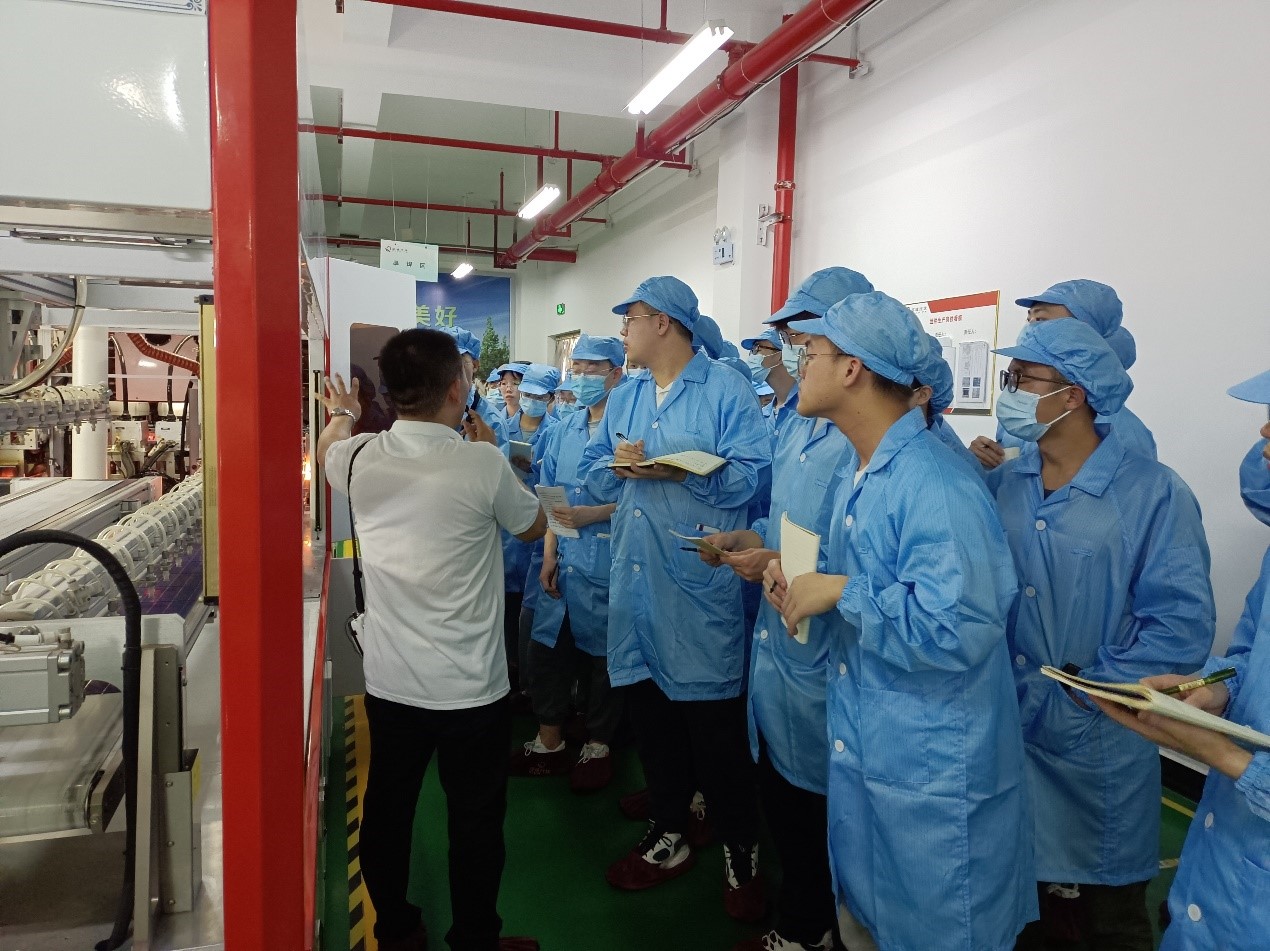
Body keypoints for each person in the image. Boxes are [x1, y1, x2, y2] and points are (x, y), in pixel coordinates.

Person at [763, 290, 1037, 951]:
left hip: (934, 777)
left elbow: (960, 625)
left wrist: (842, 593)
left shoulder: (934, 482)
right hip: (875, 753)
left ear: (851, 368)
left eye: (810, 351)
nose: (798, 363)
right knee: (868, 921)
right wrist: (799, 581)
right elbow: (865, 584)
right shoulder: (864, 472)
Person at [989, 318, 1216, 951]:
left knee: (1109, 919)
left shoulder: (1153, 493)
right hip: (1009, 726)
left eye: (1023, 379)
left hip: (1100, 738)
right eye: (1010, 376)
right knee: (1021, 909)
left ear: (1074, 395)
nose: (1010, 391)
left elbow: (1179, 625)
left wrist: (1088, 692)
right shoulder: (1006, 485)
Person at [317, 329, 546, 951]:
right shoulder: (481, 463)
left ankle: (396, 928)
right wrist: (493, 452)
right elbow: (533, 526)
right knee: (475, 821)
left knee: (388, 811)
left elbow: (328, 447)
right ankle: (475, 938)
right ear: (455, 390)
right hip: (472, 688)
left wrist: (343, 414)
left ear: (388, 394)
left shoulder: (358, 459)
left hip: (392, 681)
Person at [581, 276, 772, 921]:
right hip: (636, 582)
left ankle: (740, 849)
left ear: (663, 322)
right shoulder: (628, 394)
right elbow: (594, 468)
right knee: (653, 721)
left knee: (715, 735)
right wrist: (620, 463)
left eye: (631, 318)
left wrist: (676, 471)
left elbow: (750, 475)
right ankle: (668, 831)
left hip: (696, 583)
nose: (624, 331)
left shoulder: (725, 390)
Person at [702, 267, 873, 951]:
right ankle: (804, 922)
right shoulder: (799, 426)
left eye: (805, 343)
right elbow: (791, 529)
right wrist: (756, 544)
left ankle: (811, 928)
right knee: (788, 803)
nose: (794, 357)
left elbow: (859, 568)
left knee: (828, 817)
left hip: (828, 659)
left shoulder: (872, 448)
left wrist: (779, 563)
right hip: (785, 647)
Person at [1090, 368, 1270, 951]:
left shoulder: (1153, 491)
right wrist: (1214, 689)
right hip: (1222, 868)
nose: (1264, 433)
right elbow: (1250, 657)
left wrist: (1218, 752)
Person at [513, 335, 626, 791]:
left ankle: (598, 744)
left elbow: (641, 502)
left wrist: (592, 515)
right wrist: (548, 555)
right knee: (547, 650)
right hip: (562, 558)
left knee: (602, 661)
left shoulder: (629, 432)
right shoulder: (565, 428)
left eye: (592, 369)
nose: (581, 378)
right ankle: (550, 740)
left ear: (616, 373)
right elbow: (552, 495)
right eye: (576, 369)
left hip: (607, 560)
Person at [971, 280, 1156, 469]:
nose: (1029, 329)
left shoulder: (1124, 431)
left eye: (1040, 320)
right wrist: (983, 461)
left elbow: (1135, 483)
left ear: (1083, 331)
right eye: (1029, 320)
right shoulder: (1025, 409)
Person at [512, 363, 560, 695]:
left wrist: (533, 473)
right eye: (527, 394)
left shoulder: (557, 432)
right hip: (507, 534)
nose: (531, 400)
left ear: (551, 398)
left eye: (540, 397)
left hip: (541, 533)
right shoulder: (499, 425)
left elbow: (555, 486)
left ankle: (530, 688)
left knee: (531, 614)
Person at [440, 327, 508, 444]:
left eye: (458, 363)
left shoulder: (492, 421)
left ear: (475, 365)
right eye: (442, 363)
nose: (449, 370)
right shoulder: (427, 410)